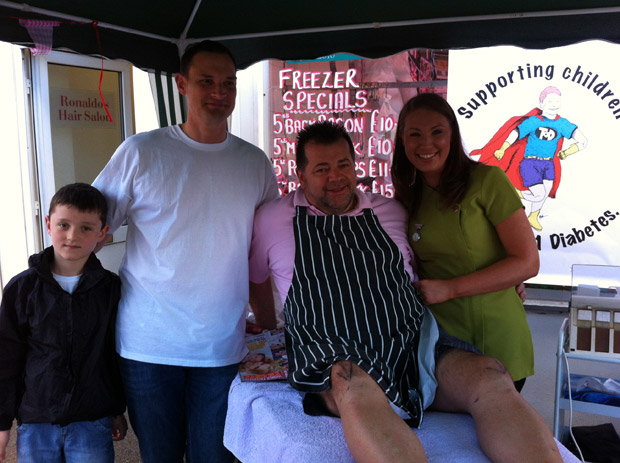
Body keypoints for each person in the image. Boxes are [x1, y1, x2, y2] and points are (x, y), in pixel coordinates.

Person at [249, 121, 561, 463]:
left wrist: (507, 274)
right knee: (351, 382)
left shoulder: (392, 211)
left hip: (414, 345)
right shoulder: (271, 219)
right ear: (301, 175)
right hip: (334, 355)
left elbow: (438, 258)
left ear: (355, 165)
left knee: (491, 374)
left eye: (343, 165)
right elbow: (255, 278)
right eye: (322, 169)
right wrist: (269, 326)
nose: (335, 177)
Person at [92, 39, 278, 463]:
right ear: (181, 84)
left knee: (215, 457)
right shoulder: (141, 152)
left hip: (222, 344)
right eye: (206, 81)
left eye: (228, 83)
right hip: (147, 344)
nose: (219, 92)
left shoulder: (254, 163)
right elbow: (89, 230)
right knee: (159, 456)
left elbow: (260, 254)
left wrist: (268, 324)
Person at [391, 93, 540, 390]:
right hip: (441, 344)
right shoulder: (408, 196)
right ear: (402, 142)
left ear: (453, 135)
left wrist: (450, 288)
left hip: (495, 337)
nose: (426, 144)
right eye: (415, 134)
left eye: (437, 132)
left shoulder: (487, 180)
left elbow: (527, 262)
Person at [0, 183, 127, 463]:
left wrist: (116, 408)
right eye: (63, 225)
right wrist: (2, 423)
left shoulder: (110, 289)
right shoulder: (21, 289)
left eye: (86, 228)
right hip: (36, 420)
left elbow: (112, 354)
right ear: (48, 224)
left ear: (103, 233)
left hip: (92, 418)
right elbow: (6, 358)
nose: (72, 236)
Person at [470, 86, 587, 230]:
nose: (554, 104)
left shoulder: (563, 124)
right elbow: (516, 133)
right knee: (539, 195)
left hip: (548, 164)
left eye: (557, 101)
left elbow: (583, 141)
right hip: (530, 163)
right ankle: (515, 192)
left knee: (545, 193)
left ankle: (533, 216)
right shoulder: (533, 121)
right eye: (550, 101)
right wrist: (503, 148)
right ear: (541, 104)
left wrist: (567, 152)